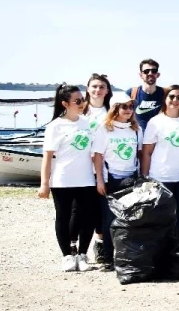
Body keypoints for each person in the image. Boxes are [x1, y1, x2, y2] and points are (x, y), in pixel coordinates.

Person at [38, 84, 99, 272]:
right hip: (63, 179)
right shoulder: (55, 126)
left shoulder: (88, 123)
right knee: (63, 217)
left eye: (83, 99)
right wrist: (44, 184)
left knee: (87, 217)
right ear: (65, 103)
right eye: (77, 101)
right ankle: (66, 256)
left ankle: (82, 254)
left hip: (86, 179)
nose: (82, 103)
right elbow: (47, 157)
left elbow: (96, 153)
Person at [141, 84, 179, 236]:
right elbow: (147, 152)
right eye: (172, 96)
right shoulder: (155, 122)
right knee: (161, 217)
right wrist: (145, 178)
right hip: (161, 177)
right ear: (165, 99)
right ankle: (161, 253)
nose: (175, 100)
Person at [92, 97, 140, 269]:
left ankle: (125, 255)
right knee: (109, 221)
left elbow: (139, 154)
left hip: (131, 179)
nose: (128, 110)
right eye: (124, 107)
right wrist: (99, 180)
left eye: (131, 106)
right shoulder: (104, 129)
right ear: (115, 108)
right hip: (111, 179)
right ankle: (107, 257)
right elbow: (97, 155)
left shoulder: (135, 129)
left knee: (129, 220)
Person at [82, 73, 112, 264]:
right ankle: (76, 249)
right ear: (87, 89)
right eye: (94, 86)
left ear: (107, 90)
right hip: (81, 167)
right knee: (84, 211)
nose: (97, 90)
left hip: (103, 168)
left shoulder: (111, 111)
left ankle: (101, 246)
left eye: (101, 87)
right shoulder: (80, 111)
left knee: (103, 211)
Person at [129, 59, 165, 130]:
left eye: (154, 71)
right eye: (146, 71)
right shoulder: (131, 93)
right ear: (140, 75)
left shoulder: (166, 94)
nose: (150, 73)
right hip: (136, 137)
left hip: (158, 138)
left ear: (158, 74)